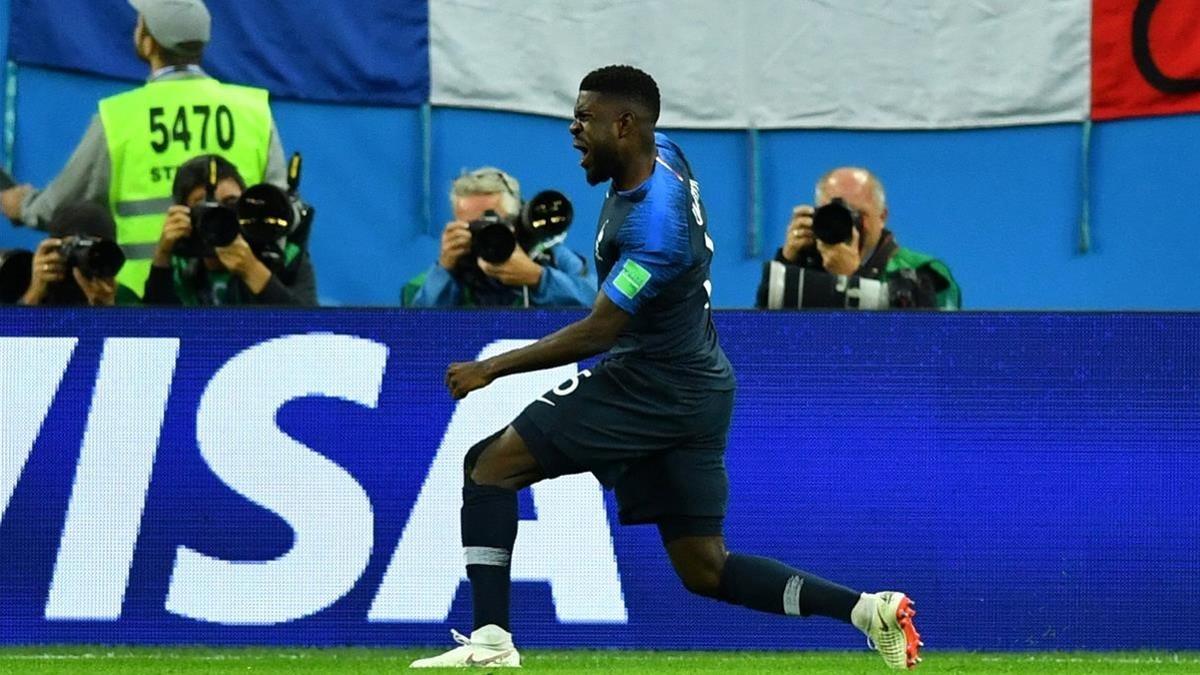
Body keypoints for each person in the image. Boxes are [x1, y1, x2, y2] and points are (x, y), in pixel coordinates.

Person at [412, 66, 922, 670]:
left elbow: (602, 329)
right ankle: (869, 610)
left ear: (624, 125)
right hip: (699, 385)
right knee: (706, 570)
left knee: (488, 466)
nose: (573, 130)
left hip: (647, 384)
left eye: (584, 118)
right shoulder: (668, 154)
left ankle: (491, 643)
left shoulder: (654, 227)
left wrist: (493, 368)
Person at [0, 0, 287, 298]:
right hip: (236, 296)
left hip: (144, 302)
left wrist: (22, 206)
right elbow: (279, 210)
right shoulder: (253, 111)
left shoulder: (120, 117)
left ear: (149, 42)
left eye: (139, 23)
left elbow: (62, 205)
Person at [756, 167, 960, 310]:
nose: (846, 223)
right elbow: (759, 339)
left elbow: (932, 348)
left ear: (882, 217)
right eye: (834, 212)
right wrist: (786, 262)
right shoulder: (802, 269)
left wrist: (853, 279)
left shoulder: (925, 273)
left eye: (858, 214)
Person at [402, 168, 596, 307]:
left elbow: (601, 304)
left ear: (518, 220)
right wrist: (445, 270)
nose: (487, 233)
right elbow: (414, 329)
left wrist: (538, 278)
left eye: (494, 223)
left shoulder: (550, 258)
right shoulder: (447, 272)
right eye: (474, 226)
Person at [142, 154, 316, 306]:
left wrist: (252, 270)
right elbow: (153, 333)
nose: (222, 215)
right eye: (206, 208)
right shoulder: (179, 266)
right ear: (184, 214)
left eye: (231, 202)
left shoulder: (279, 255)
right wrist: (162, 256)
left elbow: (309, 336)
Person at [19, 201, 139, 307]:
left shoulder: (125, 299)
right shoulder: (26, 289)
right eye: (76, 247)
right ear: (53, 249)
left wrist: (107, 310)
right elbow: (11, 330)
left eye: (95, 249)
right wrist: (33, 296)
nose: (86, 257)